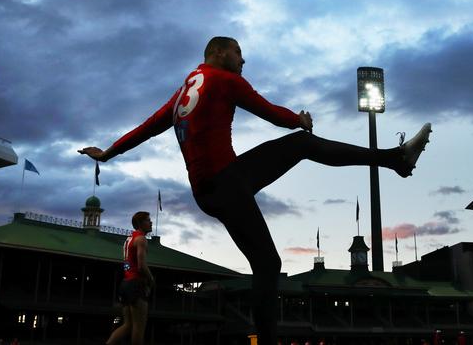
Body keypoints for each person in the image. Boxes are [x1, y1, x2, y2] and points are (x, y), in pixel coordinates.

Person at [79, 37, 432, 345]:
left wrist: (109, 152)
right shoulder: (224, 79)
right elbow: (268, 111)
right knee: (299, 148)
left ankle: (395, 160)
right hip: (227, 182)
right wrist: (298, 119)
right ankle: (396, 159)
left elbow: (145, 128)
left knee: (267, 262)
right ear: (218, 53)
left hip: (211, 191)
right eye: (238, 52)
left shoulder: (184, 91)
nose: (243, 60)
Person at [105, 211, 154, 345]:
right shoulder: (141, 239)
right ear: (139, 223)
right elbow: (141, 266)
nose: (151, 222)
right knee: (139, 328)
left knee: (128, 325)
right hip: (136, 284)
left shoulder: (129, 240)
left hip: (126, 283)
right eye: (148, 220)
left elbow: (127, 264)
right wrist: (151, 279)